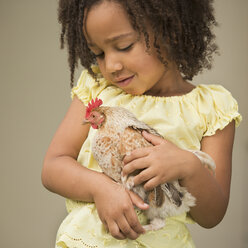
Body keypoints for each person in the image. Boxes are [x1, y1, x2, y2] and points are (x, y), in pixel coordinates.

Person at [42, 0, 242, 247]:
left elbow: (213, 215)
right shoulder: (99, 91)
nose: (111, 66)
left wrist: (190, 167)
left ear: (171, 29)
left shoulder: (212, 107)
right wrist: (101, 188)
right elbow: (53, 166)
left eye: (124, 46)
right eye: (99, 53)